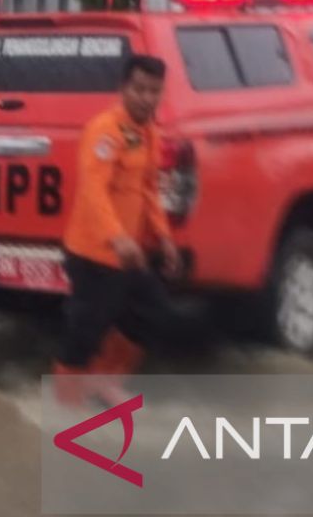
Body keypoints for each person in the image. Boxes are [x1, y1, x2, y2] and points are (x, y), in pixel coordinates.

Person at [53, 54, 183, 404]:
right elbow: (93, 190)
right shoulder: (105, 129)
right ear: (123, 88)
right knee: (84, 330)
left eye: (154, 91)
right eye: (139, 89)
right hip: (94, 252)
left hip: (131, 254)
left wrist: (165, 238)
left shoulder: (148, 133)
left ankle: (104, 380)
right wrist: (118, 237)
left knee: (153, 312)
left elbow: (149, 189)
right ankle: (65, 404)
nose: (146, 98)